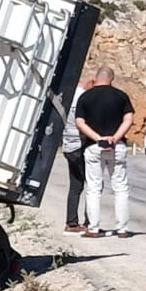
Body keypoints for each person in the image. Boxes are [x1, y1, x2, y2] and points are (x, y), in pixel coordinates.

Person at [75, 66, 135, 238]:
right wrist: (114, 138)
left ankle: (93, 228)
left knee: (93, 188)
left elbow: (80, 122)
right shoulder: (121, 96)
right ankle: (122, 229)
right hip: (117, 146)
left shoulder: (85, 97)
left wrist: (98, 138)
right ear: (111, 79)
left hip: (94, 147)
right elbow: (129, 119)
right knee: (120, 188)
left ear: (96, 78)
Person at [61, 78, 93, 232]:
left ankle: (71, 222)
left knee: (75, 185)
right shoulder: (83, 99)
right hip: (80, 146)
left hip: (68, 146)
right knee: (92, 185)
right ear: (91, 82)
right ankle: (90, 222)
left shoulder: (69, 96)